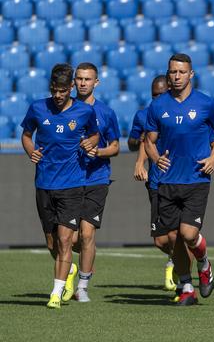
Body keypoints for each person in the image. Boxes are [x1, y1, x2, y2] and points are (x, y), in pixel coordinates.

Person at [145, 53, 214, 306]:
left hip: (196, 179)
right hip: (167, 181)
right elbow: (149, 140)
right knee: (173, 239)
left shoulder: (206, 103)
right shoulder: (158, 105)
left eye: (182, 72)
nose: (177, 76)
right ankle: (186, 288)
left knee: (189, 234)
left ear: (191, 74)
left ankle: (204, 263)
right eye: (173, 72)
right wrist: (155, 157)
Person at [20, 63, 99, 308]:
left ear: (71, 88)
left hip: (72, 185)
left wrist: (90, 143)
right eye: (54, 90)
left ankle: (56, 292)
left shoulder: (84, 112)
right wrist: (31, 151)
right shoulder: (37, 108)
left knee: (65, 240)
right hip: (44, 183)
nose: (58, 95)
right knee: (52, 243)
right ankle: (70, 269)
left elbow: (95, 134)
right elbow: (26, 135)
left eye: (63, 90)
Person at [73, 62, 120, 302]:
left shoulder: (106, 113)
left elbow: (115, 147)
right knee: (70, 239)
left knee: (87, 233)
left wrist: (98, 152)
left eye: (87, 79)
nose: (82, 83)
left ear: (96, 82)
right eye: (79, 79)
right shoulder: (63, 109)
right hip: (67, 180)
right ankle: (77, 264)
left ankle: (82, 286)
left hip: (96, 179)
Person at [129, 76, 178, 293]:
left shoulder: (176, 114)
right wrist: (138, 148)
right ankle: (177, 256)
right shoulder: (144, 115)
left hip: (178, 180)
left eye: (161, 94)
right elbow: (135, 142)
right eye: (154, 95)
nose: (157, 98)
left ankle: (176, 266)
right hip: (156, 181)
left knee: (177, 233)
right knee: (159, 240)